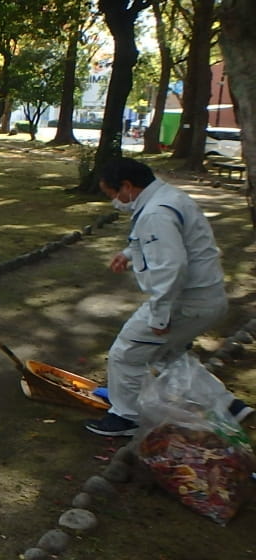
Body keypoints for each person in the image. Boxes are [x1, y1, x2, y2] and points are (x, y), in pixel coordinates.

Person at [86, 157, 253, 436]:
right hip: (208, 298)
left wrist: (160, 315)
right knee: (168, 354)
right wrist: (128, 254)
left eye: (113, 194)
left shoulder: (155, 213)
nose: (115, 201)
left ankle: (126, 417)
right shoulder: (169, 197)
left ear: (127, 186)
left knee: (127, 353)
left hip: (186, 303)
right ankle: (228, 405)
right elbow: (173, 242)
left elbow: (171, 267)